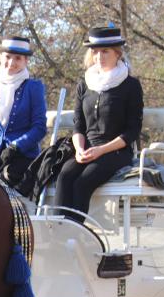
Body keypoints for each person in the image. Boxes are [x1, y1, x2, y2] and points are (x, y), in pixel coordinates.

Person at [53, 23, 143, 221]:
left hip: (116, 151)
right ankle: (56, 232)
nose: (99, 57)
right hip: (87, 148)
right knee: (65, 175)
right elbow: (79, 124)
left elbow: (132, 131)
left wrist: (101, 150)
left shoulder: (131, 85)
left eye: (105, 52)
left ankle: (76, 235)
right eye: (95, 52)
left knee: (83, 182)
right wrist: (79, 149)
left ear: (117, 53)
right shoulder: (84, 84)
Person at [0, 36, 47, 186]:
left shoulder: (34, 87)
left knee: (1, 184)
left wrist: (16, 147)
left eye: (18, 58)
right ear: (0, 57)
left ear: (26, 61)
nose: (12, 63)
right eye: (8, 57)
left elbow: (39, 127)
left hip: (24, 156)